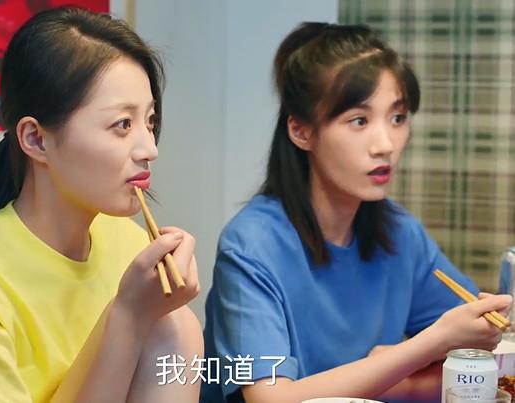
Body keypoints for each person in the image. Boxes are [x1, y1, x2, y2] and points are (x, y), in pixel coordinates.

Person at [0, 7, 202, 403]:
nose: (150, 148)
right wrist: (128, 316)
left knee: (178, 324)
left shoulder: (129, 245)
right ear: (36, 139)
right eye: (122, 125)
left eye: (149, 121)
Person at [202, 22, 511, 403]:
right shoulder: (251, 245)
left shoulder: (400, 232)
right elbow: (271, 399)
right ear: (301, 131)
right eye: (359, 121)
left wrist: (404, 374)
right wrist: (425, 348)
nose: (385, 145)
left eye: (397, 118)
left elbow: (484, 351)